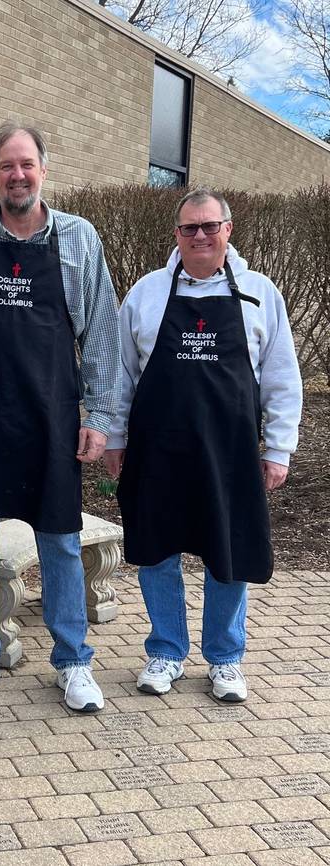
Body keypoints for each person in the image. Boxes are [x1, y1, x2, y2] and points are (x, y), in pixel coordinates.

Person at [0, 121, 120, 712]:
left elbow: (101, 333)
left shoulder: (78, 238)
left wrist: (99, 414)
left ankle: (73, 662)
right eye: (5, 166)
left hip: (54, 414)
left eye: (26, 164)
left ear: (44, 168)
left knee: (62, 541)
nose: (16, 175)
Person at [104, 188, 302, 703]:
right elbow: (123, 374)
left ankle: (225, 659)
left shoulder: (261, 294)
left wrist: (278, 447)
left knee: (228, 550)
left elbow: (282, 378)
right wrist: (116, 438)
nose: (200, 236)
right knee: (157, 549)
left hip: (230, 453)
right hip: (158, 450)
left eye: (209, 226)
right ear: (176, 234)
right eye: (189, 228)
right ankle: (166, 650)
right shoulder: (146, 294)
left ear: (228, 229)